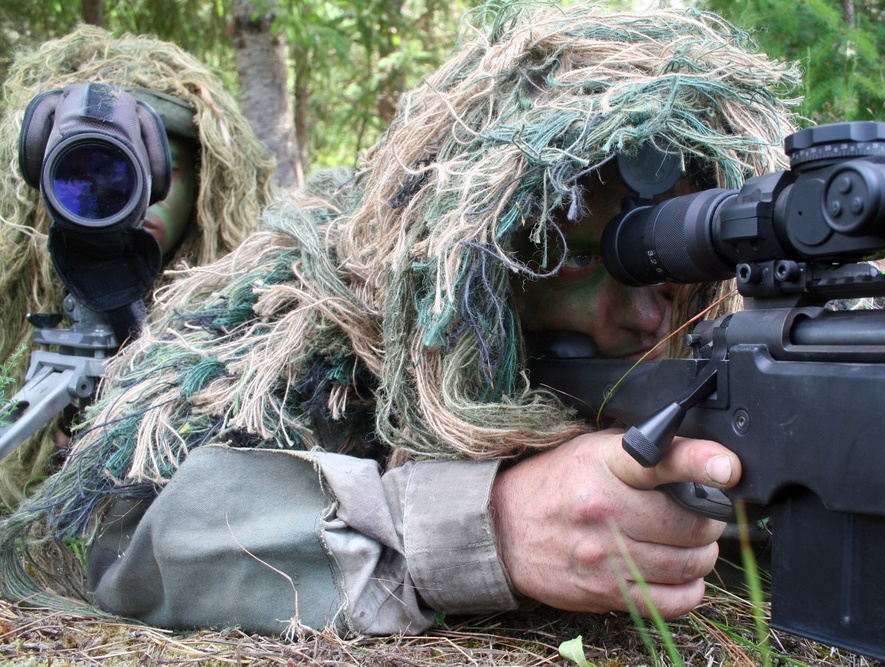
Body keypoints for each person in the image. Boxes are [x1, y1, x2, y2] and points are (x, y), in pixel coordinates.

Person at [0, 3, 798, 636]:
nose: (651, 307)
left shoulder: (736, 339)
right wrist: (485, 527)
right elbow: (127, 537)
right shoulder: (314, 318)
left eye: (673, 261)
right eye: (579, 256)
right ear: (471, 268)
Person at [0, 25, 275, 507]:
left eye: (154, 169)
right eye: (84, 173)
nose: (127, 199)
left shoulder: (256, 310)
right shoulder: (13, 304)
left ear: (205, 187)